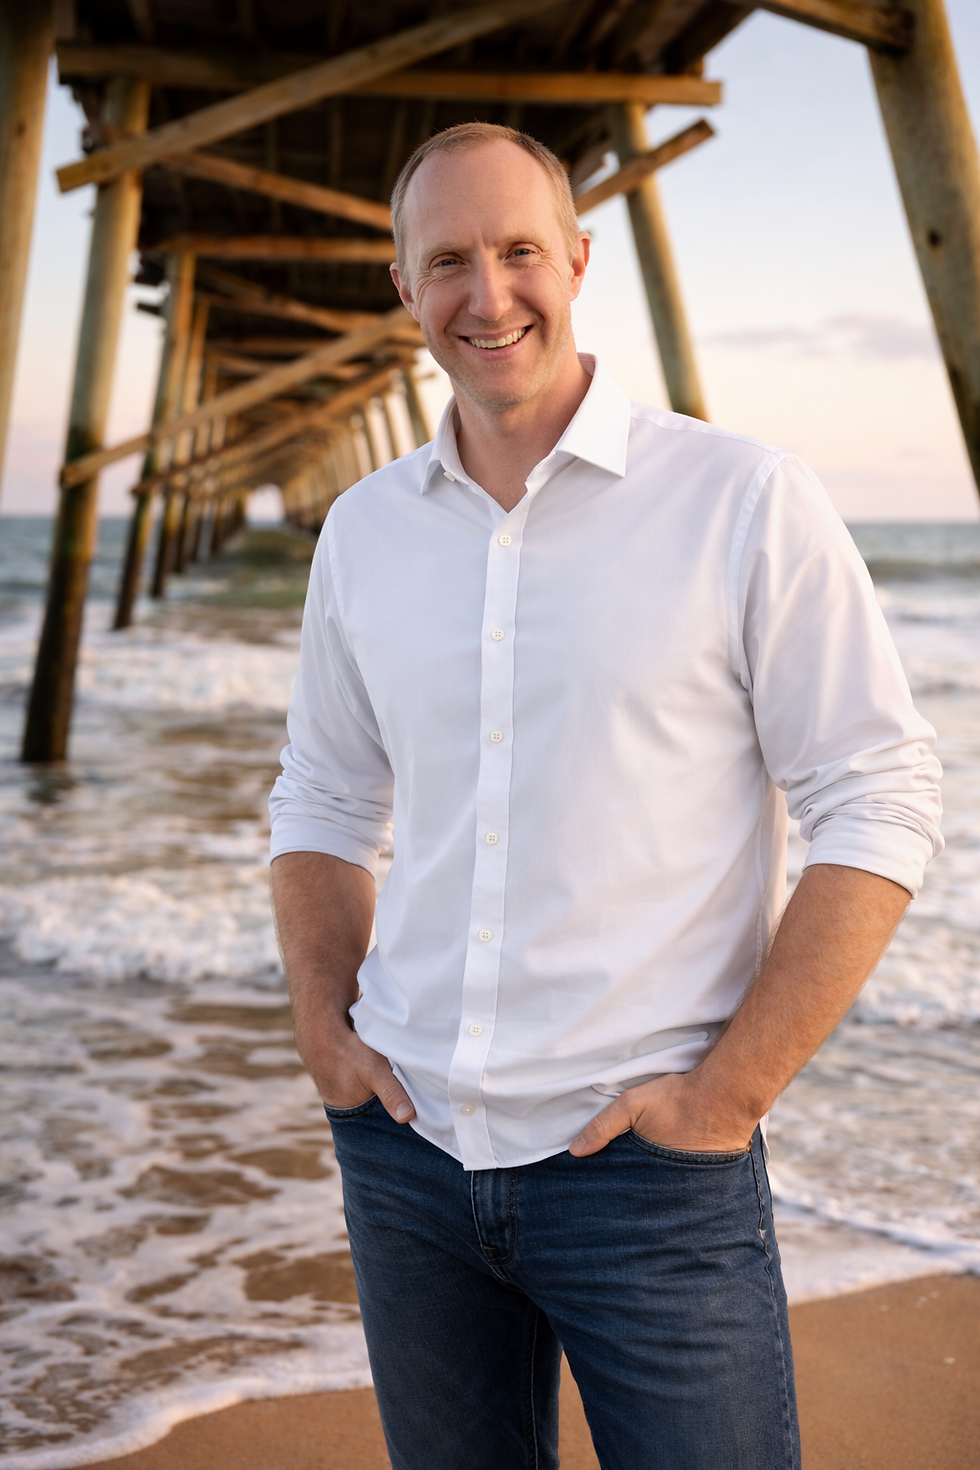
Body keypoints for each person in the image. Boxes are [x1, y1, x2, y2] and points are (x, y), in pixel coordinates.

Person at [269, 122, 942, 1470]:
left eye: (520, 250)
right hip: (408, 1155)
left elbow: (880, 796)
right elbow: (325, 796)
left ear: (578, 262)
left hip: (648, 1172)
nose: (489, 292)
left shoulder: (743, 499)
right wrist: (325, 1033)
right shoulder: (367, 530)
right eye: (447, 259)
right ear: (404, 288)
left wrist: (727, 1096)